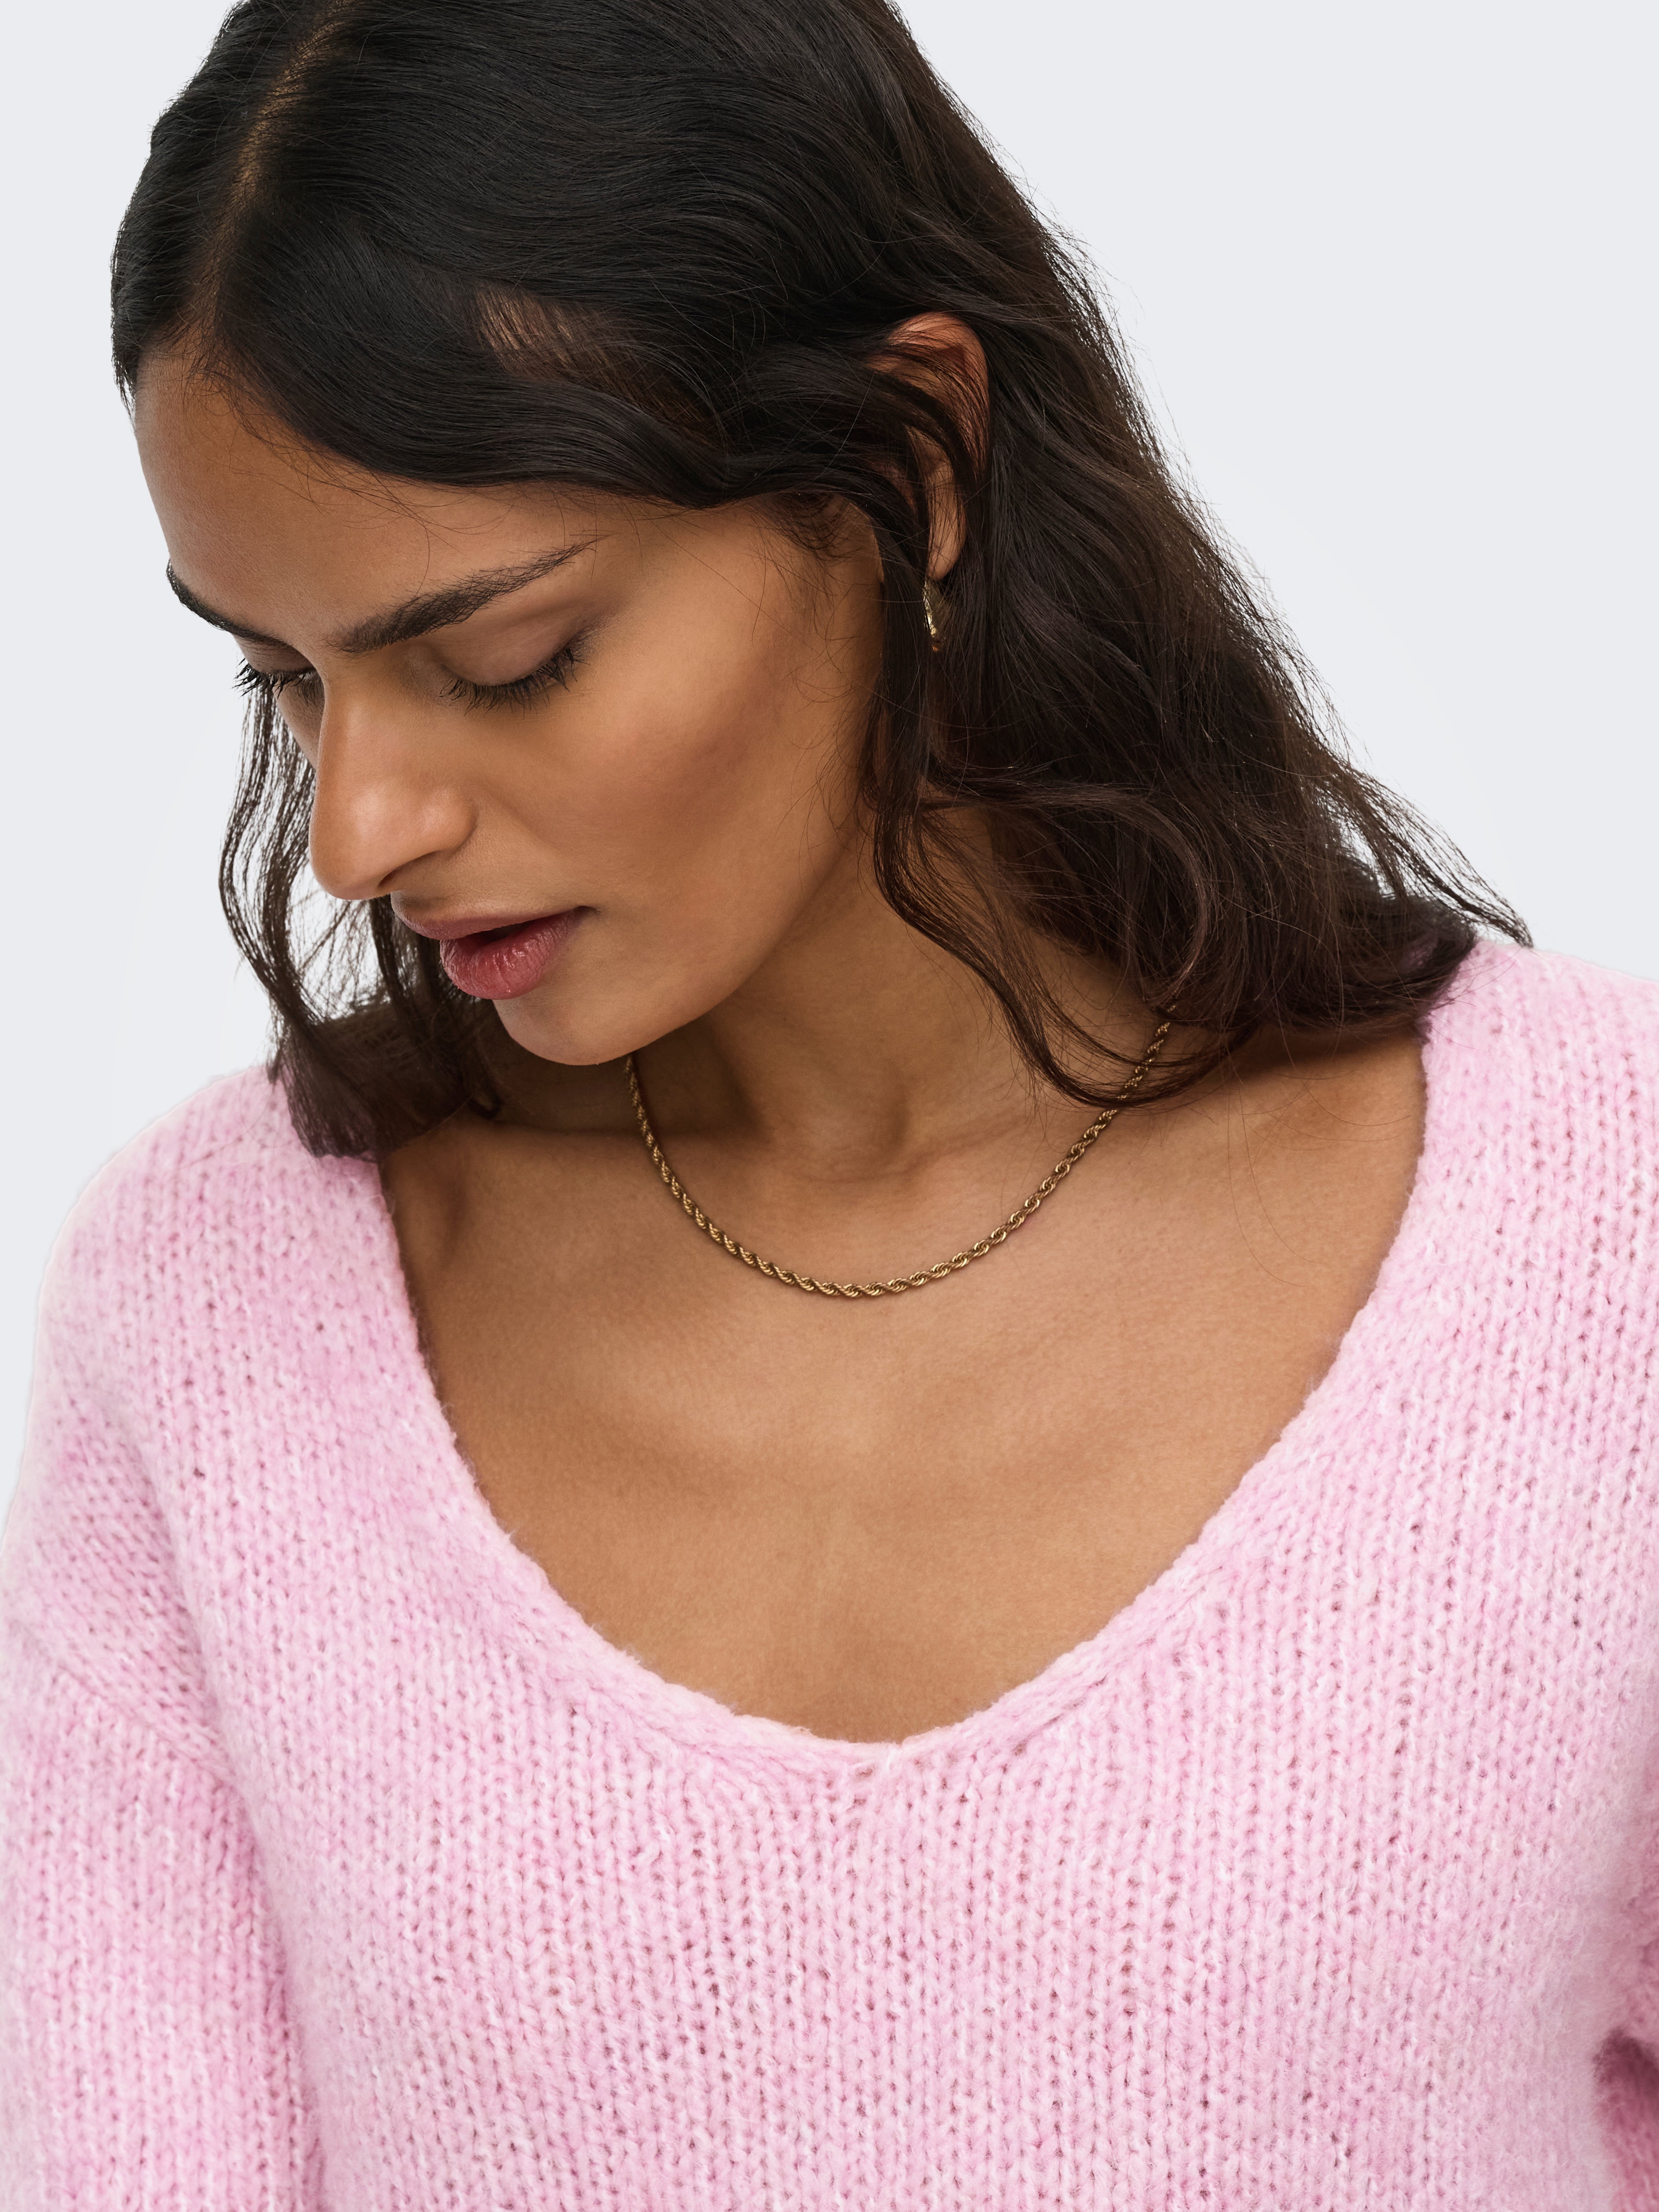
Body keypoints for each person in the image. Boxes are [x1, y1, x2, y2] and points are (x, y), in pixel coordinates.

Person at [3, 0, 1656, 2201]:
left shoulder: (1601, 1231)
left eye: (506, 660)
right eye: (283, 679)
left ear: (919, 455)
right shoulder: (214, 1314)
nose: (361, 828)